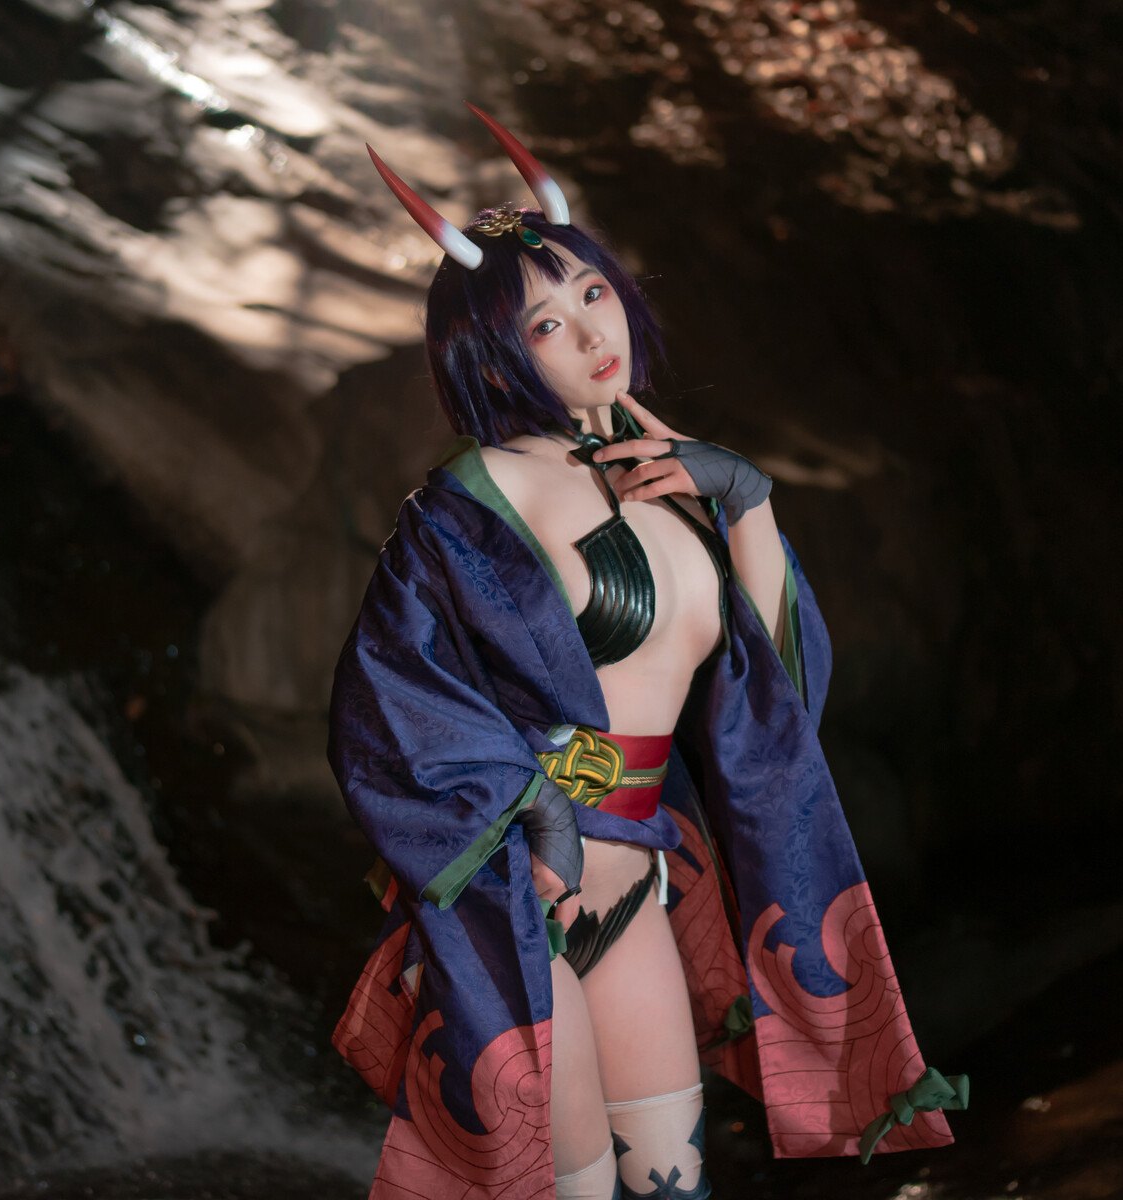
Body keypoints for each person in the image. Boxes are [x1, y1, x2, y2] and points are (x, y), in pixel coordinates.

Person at [330, 104, 965, 1200]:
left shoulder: (674, 471)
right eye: (546, 323)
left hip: (637, 883)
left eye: (593, 292)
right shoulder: (469, 505)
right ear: (495, 355)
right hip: (524, 894)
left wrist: (749, 502)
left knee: (674, 1186)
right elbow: (388, 699)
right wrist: (532, 806)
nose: (592, 332)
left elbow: (778, 697)